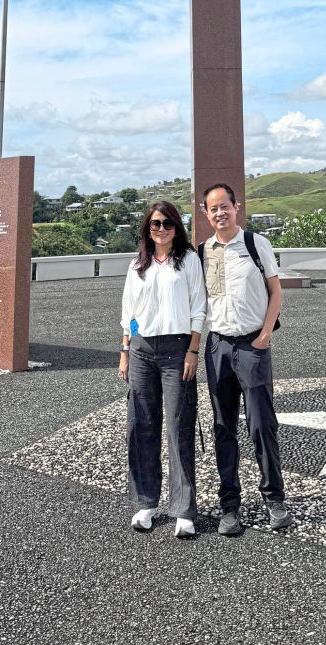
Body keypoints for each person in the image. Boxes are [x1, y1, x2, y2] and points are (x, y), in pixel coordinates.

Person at [200, 182, 292, 535]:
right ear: (206, 214)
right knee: (223, 427)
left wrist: (266, 334)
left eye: (225, 206)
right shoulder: (202, 252)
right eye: (213, 208)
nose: (220, 213)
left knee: (261, 424)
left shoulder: (255, 244)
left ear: (236, 207)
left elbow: (276, 291)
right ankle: (229, 505)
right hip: (218, 347)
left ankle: (274, 498)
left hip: (252, 345)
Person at [118, 200, 206, 539]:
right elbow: (129, 312)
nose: (162, 229)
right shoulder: (137, 264)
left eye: (168, 223)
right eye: (156, 223)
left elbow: (198, 308)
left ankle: (183, 510)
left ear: (176, 227)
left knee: (179, 427)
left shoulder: (188, 260)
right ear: (147, 228)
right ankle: (146, 503)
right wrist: (125, 351)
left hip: (177, 350)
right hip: (141, 350)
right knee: (141, 425)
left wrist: (193, 350)